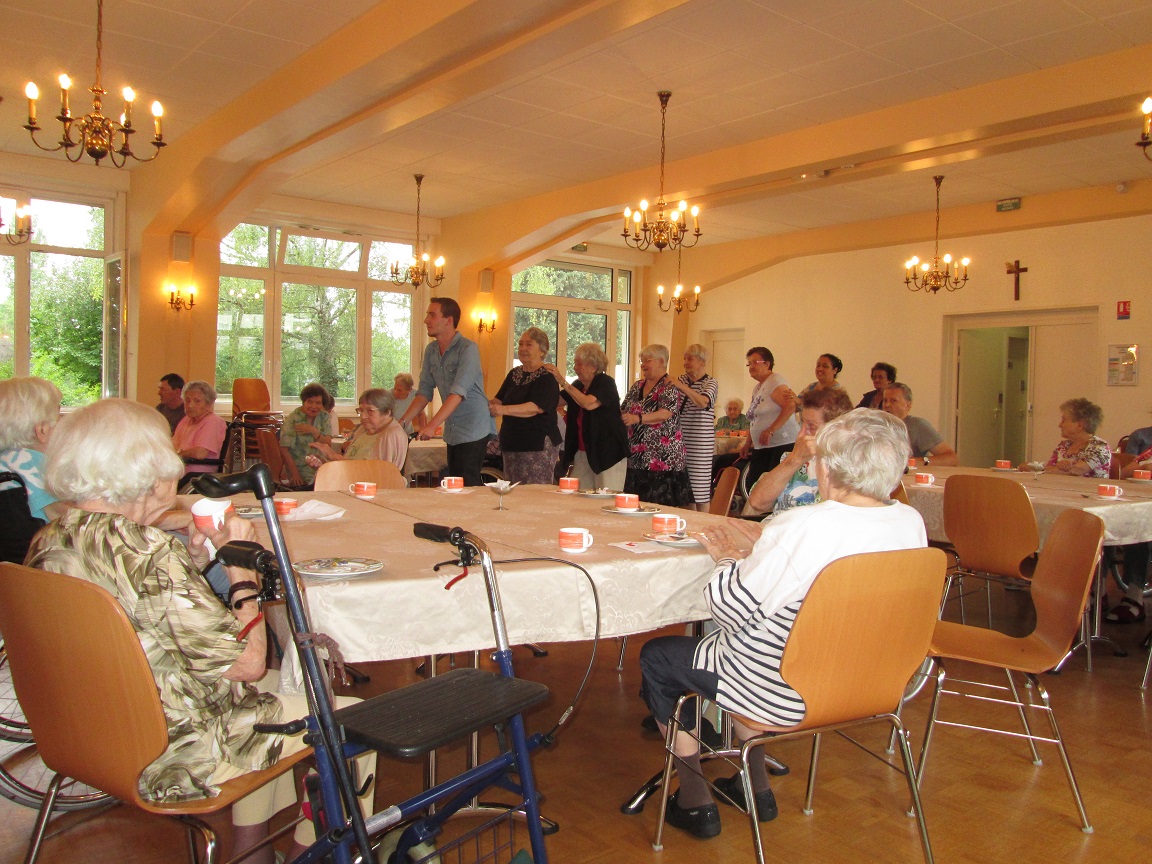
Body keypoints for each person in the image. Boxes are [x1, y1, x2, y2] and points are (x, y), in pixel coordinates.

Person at [24, 399, 375, 864]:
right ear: (148, 471)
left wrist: (191, 562)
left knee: (282, 690)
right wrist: (239, 570)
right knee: (357, 721)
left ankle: (251, 850)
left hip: (91, 734)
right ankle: (309, 856)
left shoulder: (53, 536)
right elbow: (247, 665)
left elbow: (151, 618)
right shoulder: (146, 553)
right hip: (174, 750)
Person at [639, 409, 926, 839]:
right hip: (871, 684)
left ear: (830, 468)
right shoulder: (910, 521)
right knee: (758, 644)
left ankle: (694, 800)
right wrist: (769, 550)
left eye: (817, 459)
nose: (811, 465)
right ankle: (754, 786)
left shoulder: (806, 525)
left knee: (659, 658)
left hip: (789, 691)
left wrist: (730, 559)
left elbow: (728, 609)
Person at [398, 298, 495, 486]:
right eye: (427, 315)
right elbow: (424, 392)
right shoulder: (431, 350)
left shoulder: (468, 349)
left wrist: (431, 425)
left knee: (468, 483)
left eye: (432, 315)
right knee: (454, 482)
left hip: (473, 426)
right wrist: (401, 422)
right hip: (453, 429)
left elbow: (458, 393)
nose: (426, 320)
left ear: (448, 320)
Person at [745, 388, 854, 516]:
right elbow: (757, 503)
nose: (801, 434)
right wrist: (794, 459)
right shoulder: (795, 458)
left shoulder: (851, 469)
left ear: (835, 430)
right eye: (802, 424)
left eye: (811, 427)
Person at [547, 342, 629, 492]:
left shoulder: (606, 383)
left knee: (606, 498)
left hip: (608, 454)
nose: (575, 368)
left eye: (579, 364)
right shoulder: (578, 385)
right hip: (583, 452)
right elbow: (554, 401)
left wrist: (562, 381)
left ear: (593, 366)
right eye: (575, 364)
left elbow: (588, 404)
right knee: (580, 498)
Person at [621, 344, 692, 507]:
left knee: (660, 506)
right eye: (641, 361)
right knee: (636, 505)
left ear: (661, 361)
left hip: (663, 458)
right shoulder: (637, 386)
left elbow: (665, 413)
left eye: (647, 360)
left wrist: (637, 418)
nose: (643, 365)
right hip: (637, 457)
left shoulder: (669, 386)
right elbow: (623, 409)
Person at [490, 328, 561, 485]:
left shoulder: (547, 376)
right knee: (513, 492)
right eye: (521, 344)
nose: (522, 348)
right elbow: (499, 400)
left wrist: (502, 410)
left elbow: (536, 407)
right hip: (511, 443)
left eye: (529, 344)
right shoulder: (514, 373)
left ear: (542, 351)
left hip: (537, 445)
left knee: (534, 495)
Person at [0, 376, 66, 522]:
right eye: (59, 415)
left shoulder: (5, 461)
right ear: (41, 430)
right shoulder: (27, 461)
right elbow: (60, 513)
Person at [739, 346, 799, 489]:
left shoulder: (776, 381)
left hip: (780, 444)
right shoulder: (758, 387)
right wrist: (748, 443)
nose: (751, 367)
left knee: (772, 486)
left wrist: (771, 430)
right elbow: (754, 418)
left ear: (767, 363)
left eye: (755, 362)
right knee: (754, 484)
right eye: (749, 363)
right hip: (763, 445)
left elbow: (790, 406)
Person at [306, 388, 408, 471]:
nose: (363, 416)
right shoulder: (363, 429)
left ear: (387, 412)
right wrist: (323, 463)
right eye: (361, 410)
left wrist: (332, 455)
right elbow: (349, 462)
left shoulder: (393, 434)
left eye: (370, 411)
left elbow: (378, 473)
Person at [669, 344, 719, 511]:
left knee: (700, 489)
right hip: (679, 442)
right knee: (685, 489)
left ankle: (704, 524)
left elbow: (703, 402)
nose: (685, 363)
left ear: (702, 361)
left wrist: (682, 387)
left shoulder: (710, 383)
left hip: (700, 443)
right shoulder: (680, 380)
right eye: (684, 358)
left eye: (690, 359)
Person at [1020, 397, 1109, 478]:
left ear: (1079, 425)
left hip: (1089, 493)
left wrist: (1039, 470)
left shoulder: (1099, 446)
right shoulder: (1064, 445)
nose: (1060, 425)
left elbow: (1077, 470)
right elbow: (1050, 467)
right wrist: (1032, 467)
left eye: (1064, 420)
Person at [882, 382, 959, 467]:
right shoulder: (877, 425)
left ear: (908, 405)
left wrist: (914, 462)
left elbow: (951, 458)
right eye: (885, 401)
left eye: (893, 401)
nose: (887, 405)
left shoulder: (917, 425)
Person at [278, 383, 335, 486]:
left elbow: (328, 444)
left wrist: (314, 432)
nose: (314, 406)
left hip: (321, 464)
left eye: (318, 403)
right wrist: (294, 474)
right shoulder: (293, 419)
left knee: (336, 481)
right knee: (321, 485)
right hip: (299, 466)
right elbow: (284, 449)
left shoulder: (324, 416)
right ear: (304, 402)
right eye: (310, 402)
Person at [172, 380, 229, 475]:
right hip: (180, 469)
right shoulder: (186, 420)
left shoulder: (213, 422)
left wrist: (180, 454)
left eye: (197, 401)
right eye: (187, 400)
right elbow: (173, 443)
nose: (190, 405)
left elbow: (200, 453)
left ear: (209, 403)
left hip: (198, 475)